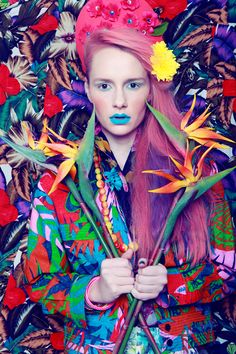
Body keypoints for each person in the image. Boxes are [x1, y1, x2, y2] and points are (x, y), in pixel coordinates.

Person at [24, 0, 235, 353]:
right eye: (105, 86)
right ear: (88, 90)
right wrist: (96, 291)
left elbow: (228, 269)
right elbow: (38, 281)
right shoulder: (61, 183)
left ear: (151, 87)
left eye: (133, 84)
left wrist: (173, 283)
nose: (119, 100)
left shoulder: (196, 173)